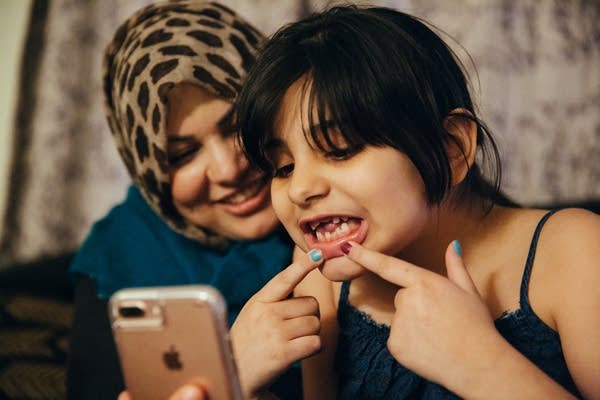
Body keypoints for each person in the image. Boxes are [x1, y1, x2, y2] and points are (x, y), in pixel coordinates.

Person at [235, 5, 600, 399]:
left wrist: (482, 365)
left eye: (340, 150)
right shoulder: (319, 280)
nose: (299, 189)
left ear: (452, 149)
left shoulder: (575, 251)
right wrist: (236, 382)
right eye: (283, 167)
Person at [67, 2, 322, 399]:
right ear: (148, 170)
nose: (226, 170)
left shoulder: (337, 206)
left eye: (237, 126)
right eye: (182, 155)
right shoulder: (118, 262)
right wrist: (231, 374)